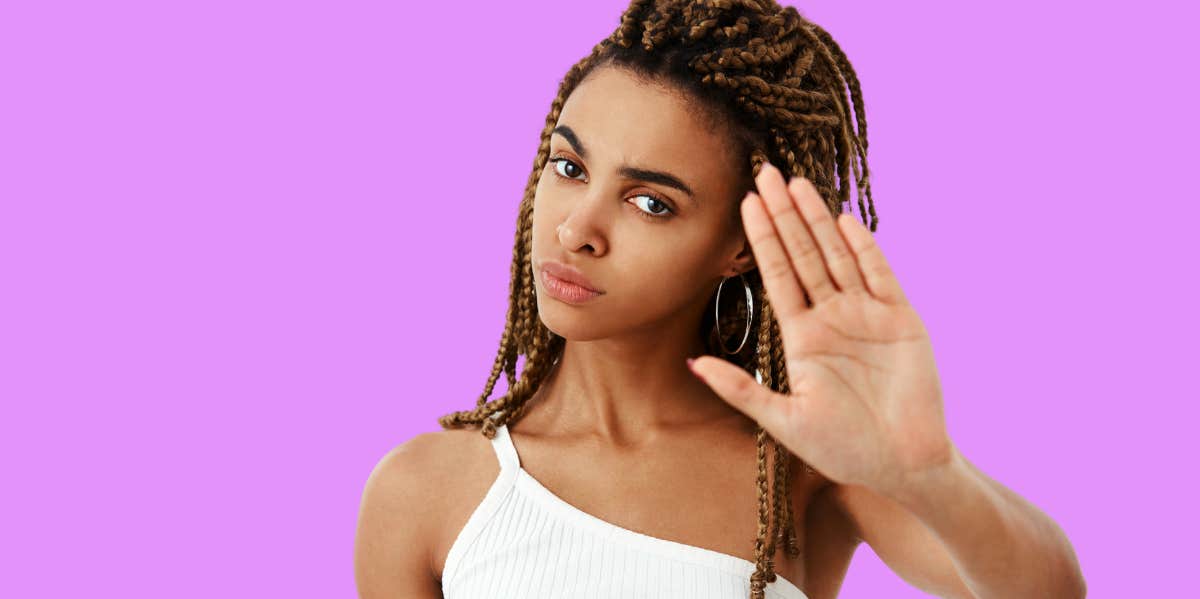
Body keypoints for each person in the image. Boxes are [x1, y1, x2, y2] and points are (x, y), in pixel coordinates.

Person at [355, 1, 1087, 597]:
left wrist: (930, 475)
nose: (577, 228)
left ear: (739, 241)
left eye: (650, 203)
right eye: (570, 165)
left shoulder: (802, 469)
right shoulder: (426, 490)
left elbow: (1050, 593)